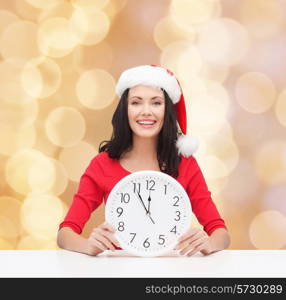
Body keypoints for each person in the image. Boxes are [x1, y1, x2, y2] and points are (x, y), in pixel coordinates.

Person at [57, 64, 230, 257]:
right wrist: (87, 246)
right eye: (136, 102)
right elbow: (65, 233)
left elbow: (220, 232)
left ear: (168, 110)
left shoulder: (185, 163)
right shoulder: (102, 164)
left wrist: (209, 243)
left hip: (171, 274)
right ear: (125, 109)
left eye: (156, 103)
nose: (146, 111)